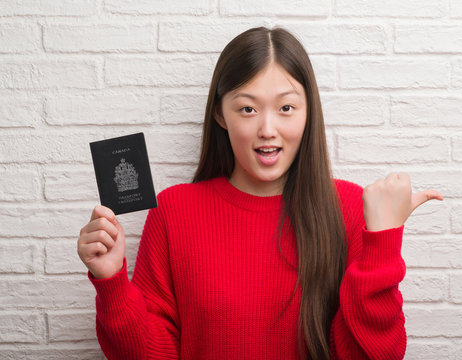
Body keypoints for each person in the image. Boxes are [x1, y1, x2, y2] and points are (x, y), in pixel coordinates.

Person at [77, 27, 443, 360]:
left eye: (286, 108)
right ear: (221, 115)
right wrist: (112, 285)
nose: (268, 129)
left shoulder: (350, 208)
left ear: (308, 112)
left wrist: (381, 244)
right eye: (248, 109)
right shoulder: (173, 211)